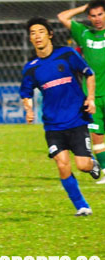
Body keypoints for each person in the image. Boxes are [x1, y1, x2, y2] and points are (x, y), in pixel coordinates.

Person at [19, 17, 100, 217]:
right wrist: (28, 109)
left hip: (77, 119)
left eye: (40, 31)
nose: (37, 36)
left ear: (50, 34)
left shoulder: (67, 54)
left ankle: (93, 164)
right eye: (33, 33)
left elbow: (89, 74)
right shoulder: (31, 67)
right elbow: (26, 93)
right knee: (62, 164)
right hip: (53, 125)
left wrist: (90, 98)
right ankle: (82, 206)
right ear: (30, 39)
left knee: (82, 165)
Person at [58, 0, 105, 184]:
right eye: (92, 15)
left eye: (100, 14)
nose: (97, 19)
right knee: (97, 136)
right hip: (92, 96)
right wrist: (85, 6)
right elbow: (62, 16)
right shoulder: (84, 33)